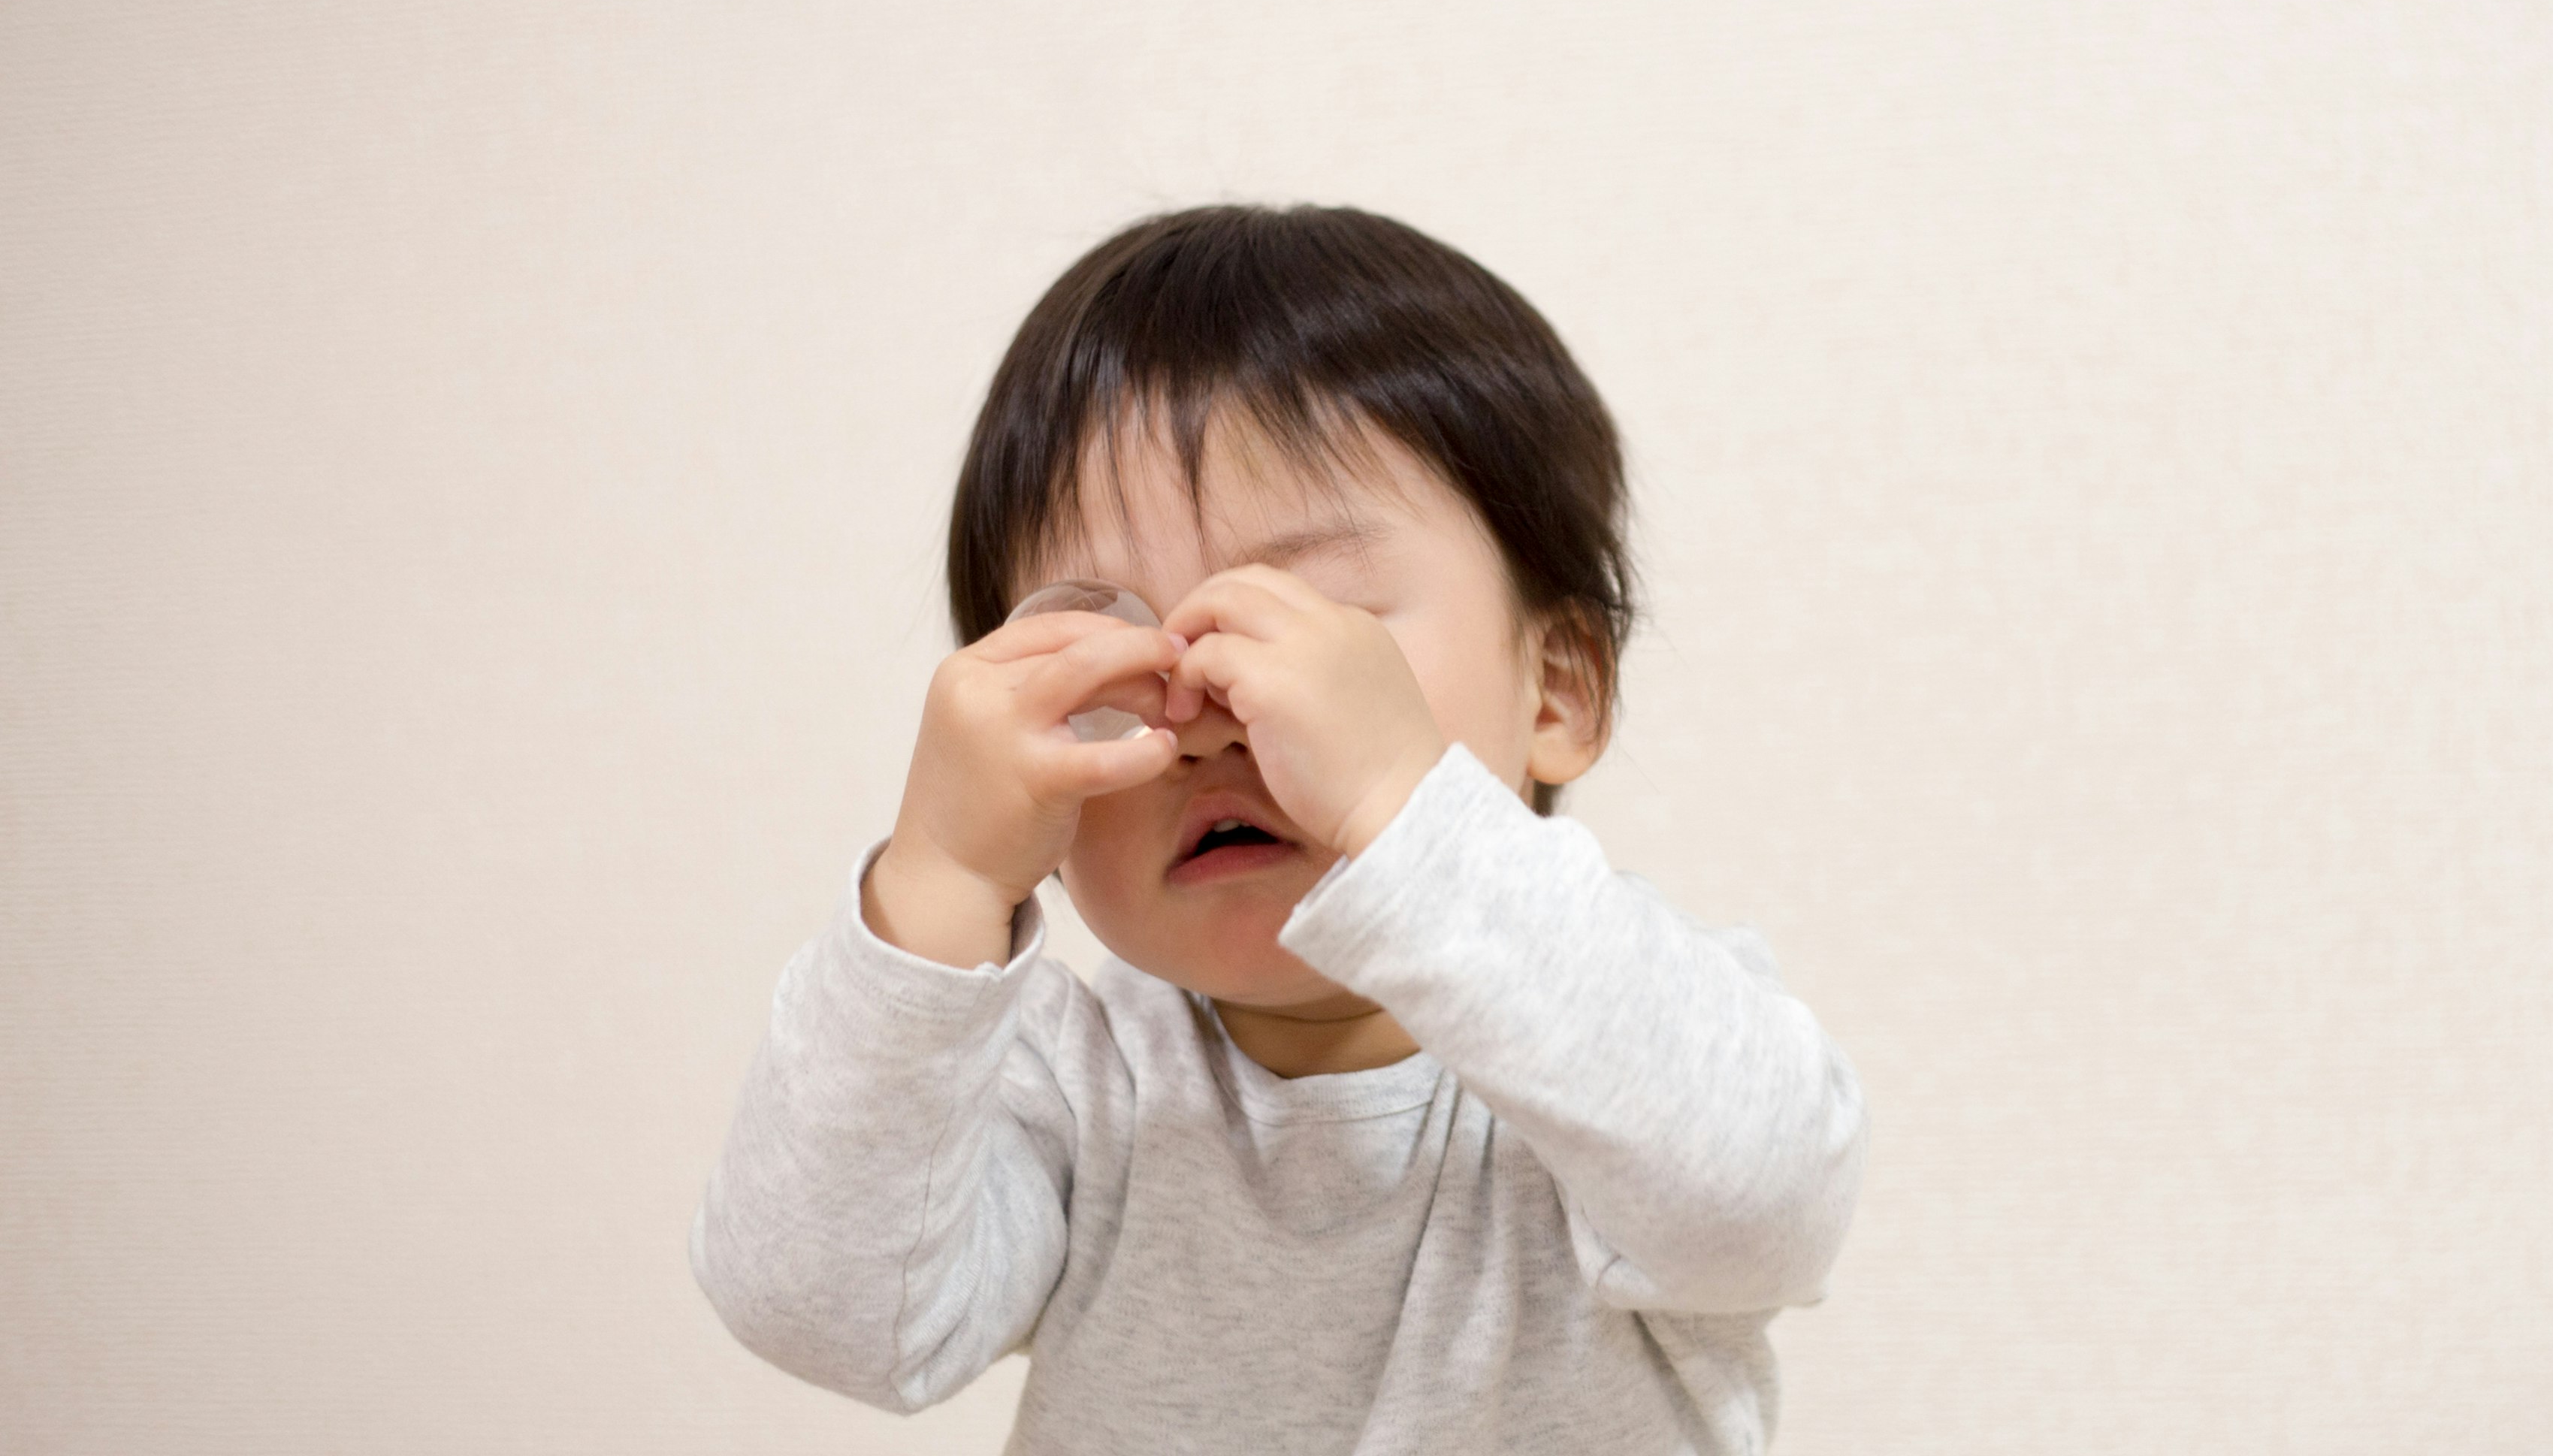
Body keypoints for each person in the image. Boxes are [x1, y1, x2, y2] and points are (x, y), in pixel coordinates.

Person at [688, 203, 1867, 1453]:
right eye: (1105, 644)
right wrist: (941, 880)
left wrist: (1397, 812)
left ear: (1560, 688)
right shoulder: (1082, 1084)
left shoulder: (1624, 1041)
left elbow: (1763, 1201)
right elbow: (822, 1313)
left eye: (1308, 625)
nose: (1203, 707)